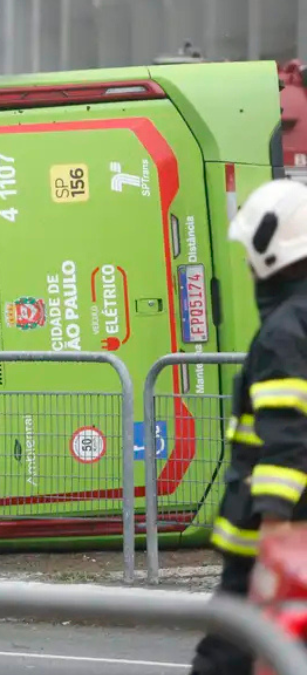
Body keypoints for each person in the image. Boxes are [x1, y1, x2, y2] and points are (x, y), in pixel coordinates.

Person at [190, 178, 307, 675]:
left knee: (225, 660)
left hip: (267, 544)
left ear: (269, 250)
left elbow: (289, 437)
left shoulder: (285, 331)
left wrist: (275, 534)